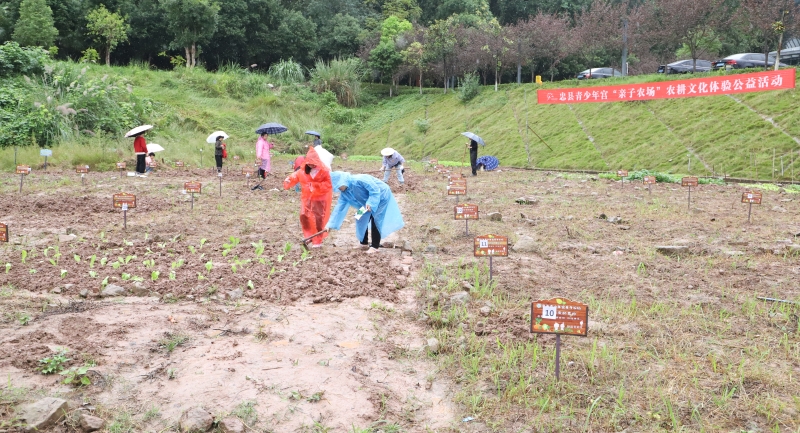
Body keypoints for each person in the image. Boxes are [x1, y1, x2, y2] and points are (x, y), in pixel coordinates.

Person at [325, 171, 404, 254]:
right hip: (366, 202)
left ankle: (374, 246)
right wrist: (329, 225)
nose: (339, 189)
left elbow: (375, 190)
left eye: (339, 186)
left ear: (343, 181)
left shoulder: (359, 180)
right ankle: (363, 243)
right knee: (359, 216)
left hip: (381, 196)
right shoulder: (345, 192)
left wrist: (371, 203)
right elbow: (338, 209)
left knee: (376, 219)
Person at [283, 148, 332, 248]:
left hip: (319, 200)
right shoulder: (303, 171)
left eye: (313, 163)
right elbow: (294, 176)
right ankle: (309, 236)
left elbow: (328, 184)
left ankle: (317, 240)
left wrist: (315, 186)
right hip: (307, 200)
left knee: (318, 220)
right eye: (309, 163)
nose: (311, 165)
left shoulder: (324, 171)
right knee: (304, 216)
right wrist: (288, 181)